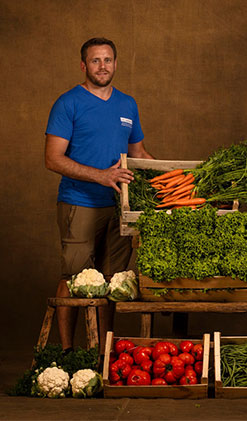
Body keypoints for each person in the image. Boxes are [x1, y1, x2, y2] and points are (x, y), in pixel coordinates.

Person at [44, 37, 153, 353]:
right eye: (95, 60)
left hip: (119, 208)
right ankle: (67, 352)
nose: (102, 66)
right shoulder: (69, 103)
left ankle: (102, 353)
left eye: (108, 60)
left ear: (116, 64)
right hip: (79, 203)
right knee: (74, 278)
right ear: (83, 65)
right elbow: (53, 158)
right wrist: (102, 176)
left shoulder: (127, 103)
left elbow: (139, 152)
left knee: (110, 281)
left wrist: (175, 176)